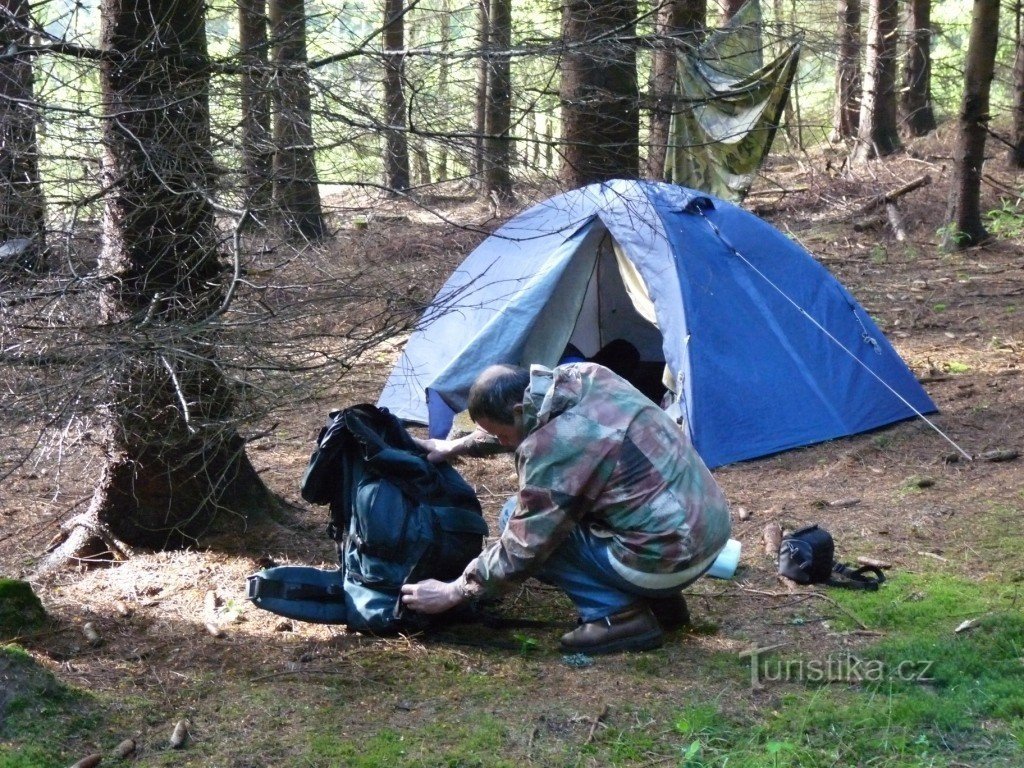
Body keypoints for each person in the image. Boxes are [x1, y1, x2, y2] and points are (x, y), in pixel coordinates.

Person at [400, 362, 731, 654]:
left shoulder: (552, 447)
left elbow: (524, 546)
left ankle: (618, 617)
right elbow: (520, 427)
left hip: (668, 558)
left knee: (515, 517)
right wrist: (455, 446)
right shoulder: (586, 376)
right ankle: (662, 602)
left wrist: (456, 590)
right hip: (708, 529)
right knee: (616, 505)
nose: (501, 442)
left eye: (500, 434)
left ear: (517, 410)